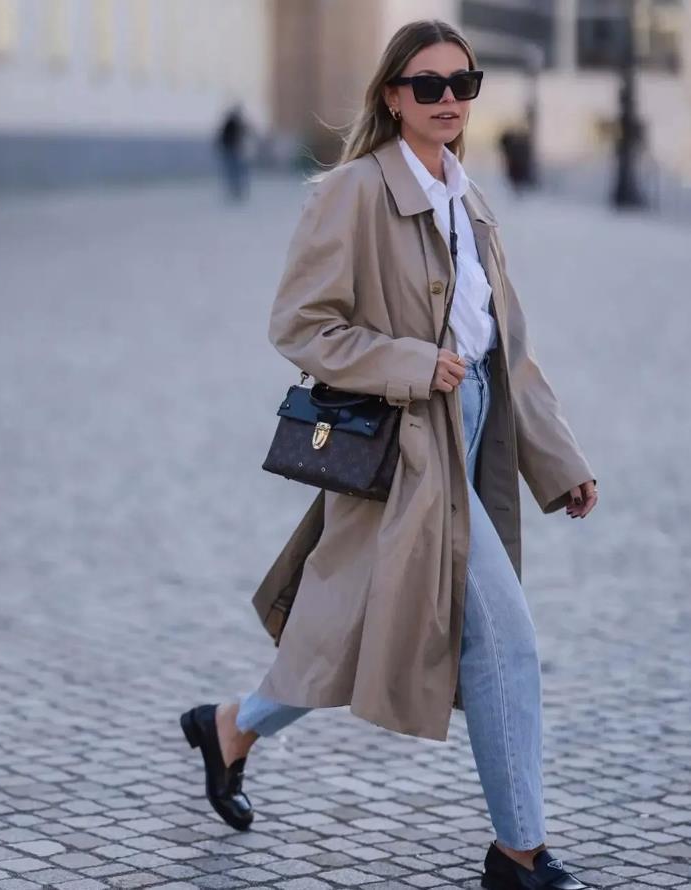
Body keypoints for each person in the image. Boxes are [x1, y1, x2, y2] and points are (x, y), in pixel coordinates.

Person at [181, 19, 598, 890]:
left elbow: (508, 352)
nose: (449, 100)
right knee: (506, 641)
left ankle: (230, 727)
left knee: (341, 629)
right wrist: (409, 362)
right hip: (407, 447)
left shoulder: (469, 200)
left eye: (463, 84)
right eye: (428, 85)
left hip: (473, 438)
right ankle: (520, 855)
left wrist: (560, 464)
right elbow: (300, 325)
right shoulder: (354, 191)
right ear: (392, 96)